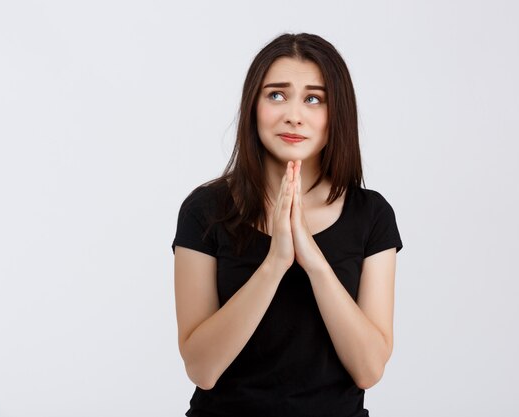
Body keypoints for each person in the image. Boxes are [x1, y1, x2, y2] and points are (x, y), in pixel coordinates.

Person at [171, 32, 403, 417]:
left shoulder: (371, 215)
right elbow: (201, 369)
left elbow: (369, 369)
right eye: (276, 95)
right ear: (253, 106)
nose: (293, 114)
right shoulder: (204, 210)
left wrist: (313, 260)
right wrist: (275, 263)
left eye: (314, 98)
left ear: (336, 113)